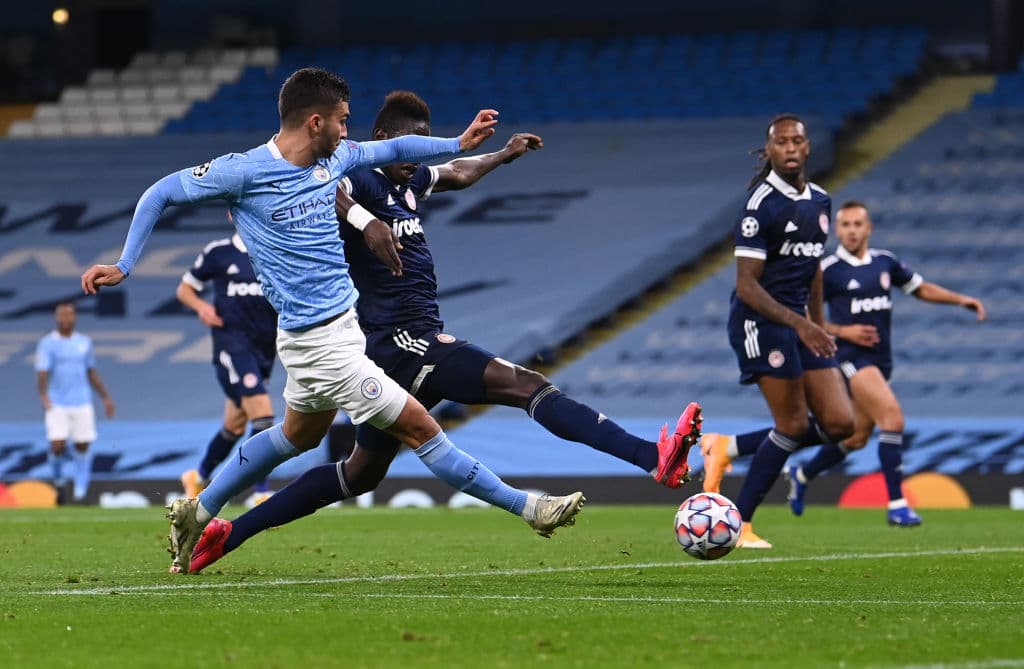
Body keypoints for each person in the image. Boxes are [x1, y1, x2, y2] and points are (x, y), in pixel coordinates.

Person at [81, 68, 588, 574]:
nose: (350, 132)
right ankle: (530, 509)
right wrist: (125, 264)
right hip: (322, 347)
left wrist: (458, 141)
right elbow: (160, 193)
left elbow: (389, 151)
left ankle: (200, 510)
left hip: (334, 331)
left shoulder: (336, 158)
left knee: (295, 437)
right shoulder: (244, 172)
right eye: (344, 122)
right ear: (316, 121)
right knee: (420, 427)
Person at [185, 91, 703, 573]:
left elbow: (455, 171)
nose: (412, 158)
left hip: (406, 341)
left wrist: (502, 155)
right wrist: (366, 222)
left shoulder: (407, 183)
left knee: (359, 473)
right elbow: (329, 192)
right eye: (403, 145)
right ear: (380, 140)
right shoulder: (355, 177)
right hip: (397, 341)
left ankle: (227, 534)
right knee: (524, 384)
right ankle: (650, 457)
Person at [703, 202, 988, 527]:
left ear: (868, 228)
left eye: (857, 224)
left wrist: (961, 299)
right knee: (892, 417)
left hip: (880, 362)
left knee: (853, 436)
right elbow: (806, 314)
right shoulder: (828, 268)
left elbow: (920, 288)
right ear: (836, 230)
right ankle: (897, 505)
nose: (851, 230)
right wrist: (841, 331)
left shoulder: (885, 262)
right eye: (846, 225)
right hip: (848, 359)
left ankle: (795, 470)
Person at [720, 113, 853, 549]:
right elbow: (747, 285)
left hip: (799, 322)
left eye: (797, 140)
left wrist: (815, 322)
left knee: (840, 423)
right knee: (792, 424)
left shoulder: (820, 200)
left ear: (808, 147)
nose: (791, 148)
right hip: (760, 321)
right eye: (782, 142)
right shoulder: (761, 205)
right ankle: (738, 525)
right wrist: (801, 324)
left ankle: (726, 447)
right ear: (770, 151)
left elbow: (812, 266)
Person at [177, 231, 278, 506]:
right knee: (264, 417)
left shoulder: (274, 246)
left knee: (234, 426)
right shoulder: (218, 252)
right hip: (232, 346)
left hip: (265, 348)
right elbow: (185, 290)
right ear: (232, 214)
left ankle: (198, 476)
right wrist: (201, 307)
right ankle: (260, 492)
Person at [34, 302, 115, 503]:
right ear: (56, 318)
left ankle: (81, 490)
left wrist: (105, 397)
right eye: (61, 315)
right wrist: (43, 394)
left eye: (69, 315)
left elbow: (91, 371)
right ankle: (59, 482)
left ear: (75, 318)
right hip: (57, 402)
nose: (65, 319)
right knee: (57, 444)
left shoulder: (84, 342)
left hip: (82, 401)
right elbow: (43, 372)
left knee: (82, 445)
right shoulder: (47, 343)